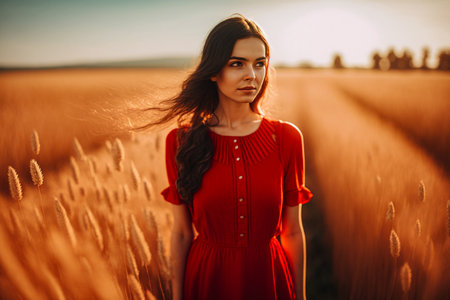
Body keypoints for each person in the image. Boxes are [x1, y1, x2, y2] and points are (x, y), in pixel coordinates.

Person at [156, 14, 313, 300]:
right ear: (214, 71)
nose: (251, 75)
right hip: (206, 280)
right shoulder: (181, 142)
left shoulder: (287, 139)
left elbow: (292, 232)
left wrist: (300, 297)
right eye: (237, 64)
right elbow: (181, 234)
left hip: (268, 278)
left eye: (259, 63)